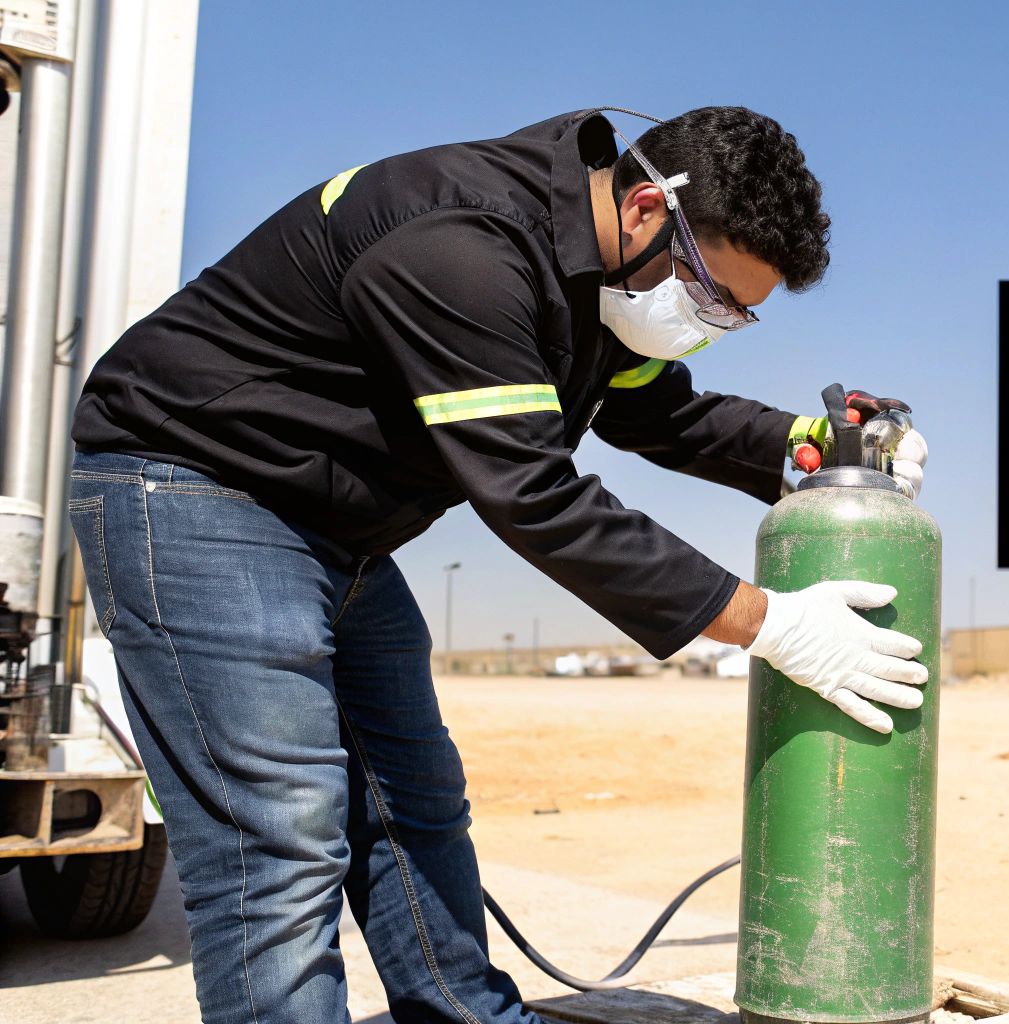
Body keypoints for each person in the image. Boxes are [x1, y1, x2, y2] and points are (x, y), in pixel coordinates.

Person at [65, 106, 930, 1024]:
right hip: (194, 488)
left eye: (737, 314)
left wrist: (796, 446)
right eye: (711, 297)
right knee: (279, 840)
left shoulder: (603, 275)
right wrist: (772, 623)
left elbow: (657, 413)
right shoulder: (461, 248)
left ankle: (464, 1016)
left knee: (417, 804)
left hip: (332, 525)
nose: (710, 324)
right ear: (645, 207)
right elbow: (536, 498)